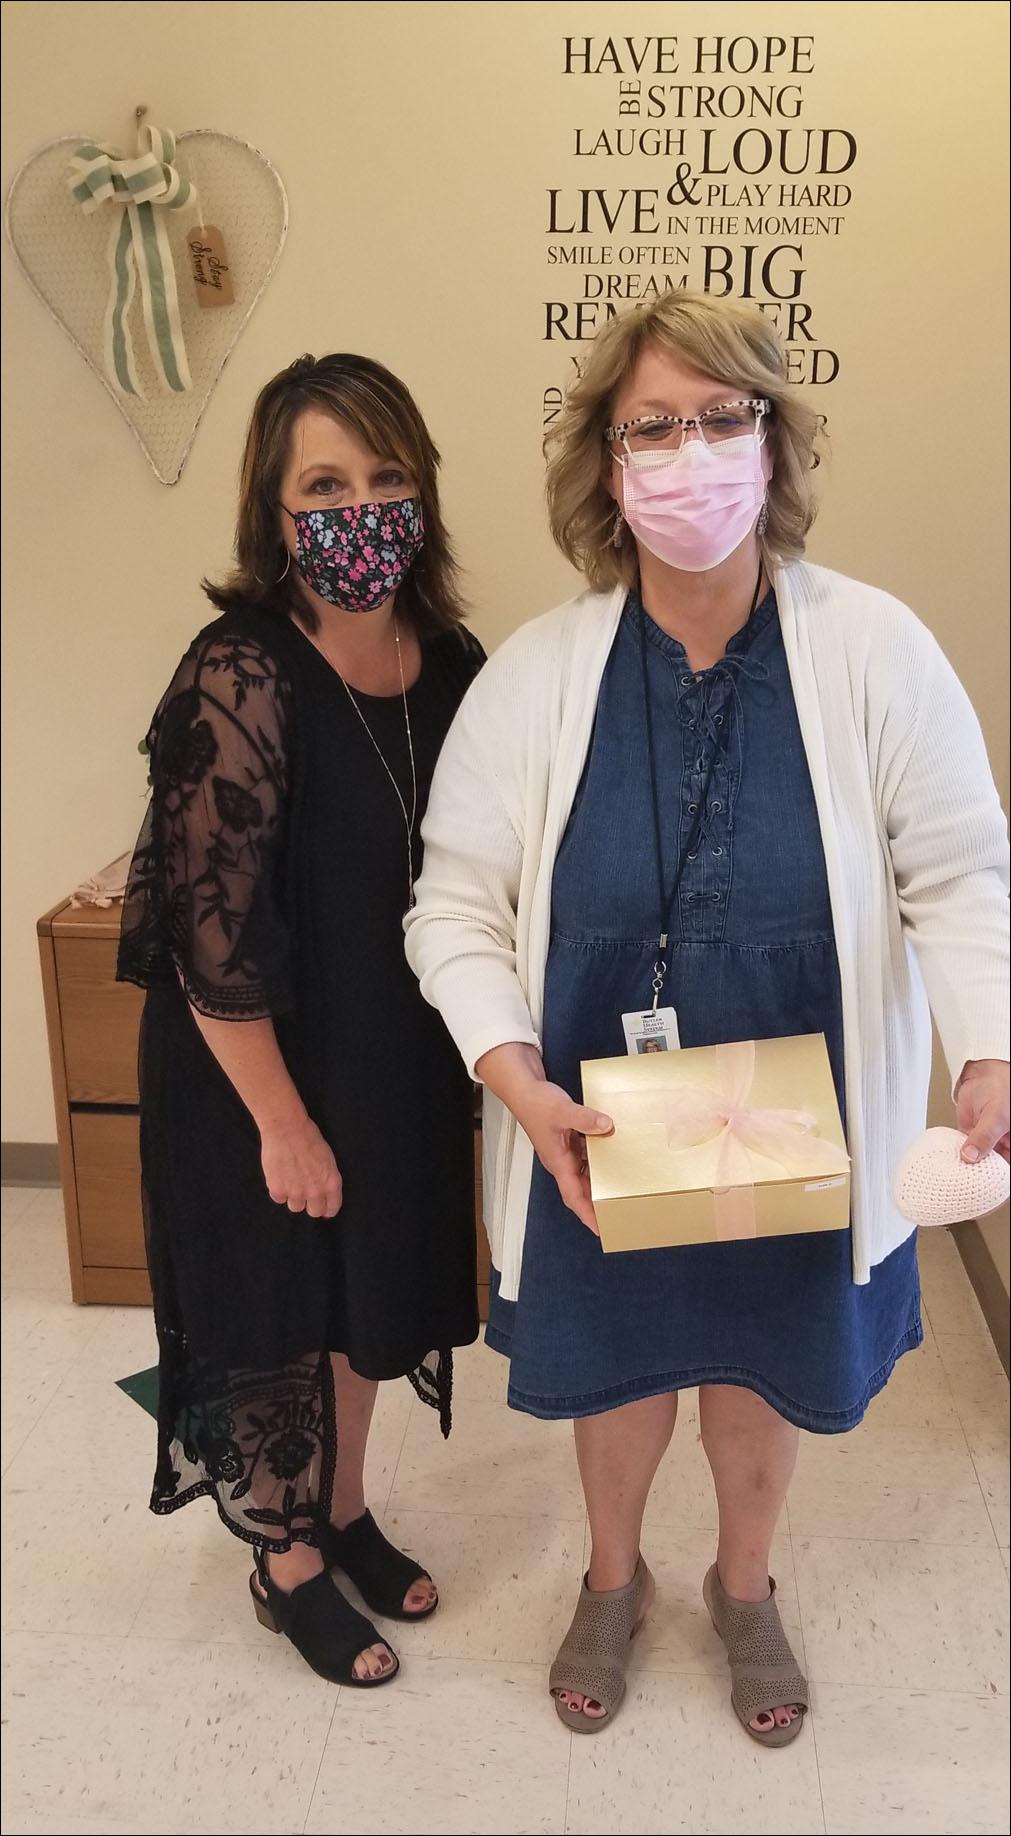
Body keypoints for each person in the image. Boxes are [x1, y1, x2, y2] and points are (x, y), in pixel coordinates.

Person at [404, 293, 1010, 1742]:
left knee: (759, 1367)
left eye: (721, 419)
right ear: (607, 468)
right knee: (619, 1372)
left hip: (805, 1099)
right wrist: (513, 1076)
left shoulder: (877, 645)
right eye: (652, 427)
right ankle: (611, 1583)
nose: (692, 455)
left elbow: (959, 865)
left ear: (773, 439)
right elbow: (454, 908)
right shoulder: (539, 677)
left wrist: (990, 1044)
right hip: (597, 1118)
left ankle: (745, 1587)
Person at [118, 352, 485, 1688]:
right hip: (254, 1056)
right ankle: (284, 1559)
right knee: (277, 1297)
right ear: (273, 514)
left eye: (388, 477)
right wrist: (281, 1121)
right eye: (324, 484)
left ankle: (341, 1509)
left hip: (392, 1050)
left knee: (363, 1297)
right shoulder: (240, 671)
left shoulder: (447, 660)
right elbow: (205, 934)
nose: (362, 505)